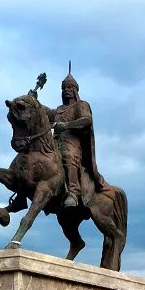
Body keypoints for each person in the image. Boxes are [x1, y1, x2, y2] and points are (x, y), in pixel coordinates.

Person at [45, 66, 106, 208]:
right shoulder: (59, 109)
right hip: (54, 143)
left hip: (72, 143)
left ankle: (72, 192)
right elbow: (47, 112)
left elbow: (87, 120)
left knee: (69, 157)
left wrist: (66, 126)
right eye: (64, 88)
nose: (66, 90)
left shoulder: (81, 105)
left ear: (75, 90)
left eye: (69, 87)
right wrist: (35, 103)